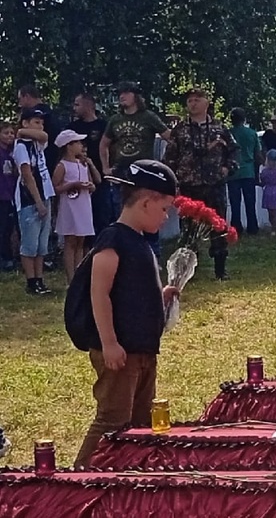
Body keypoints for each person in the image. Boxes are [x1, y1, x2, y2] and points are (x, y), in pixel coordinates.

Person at [67, 159, 179, 468]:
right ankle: (79, 479)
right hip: (120, 351)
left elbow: (132, 289)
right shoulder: (113, 239)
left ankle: (130, 476)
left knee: (142, 421)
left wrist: (162, 296)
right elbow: (99, 291)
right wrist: (109, 342)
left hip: (142, 350)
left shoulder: (140, 242)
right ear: (145, 203)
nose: (166, 216)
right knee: (112, 420)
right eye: (165, 208)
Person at [163, 88, 237, 279]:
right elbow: (170, 158)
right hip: (189, 186)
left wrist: (227, 169)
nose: (193, 104)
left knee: (218, 228)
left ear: (206, 103)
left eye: (197, 100)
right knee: (188, 230)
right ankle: (187, 272)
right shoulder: (180, 130)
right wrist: (172, 182)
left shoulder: (219, 128)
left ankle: (220, 270)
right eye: (190, 101)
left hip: (215, 184)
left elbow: (234, 152)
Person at [101, 82, 170, 220]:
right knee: (121, 211)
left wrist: (165, 162)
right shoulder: (115, 119)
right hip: (121, 170)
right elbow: (103, 144)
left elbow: (170, 137)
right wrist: (105, 167)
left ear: (136, 96)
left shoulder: (148, 116)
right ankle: (124, 241)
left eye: (126, 92)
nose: (122, 96)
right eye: (120, 93)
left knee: (146, 208)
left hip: (143, 170)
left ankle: (149, 241)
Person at [13, 108, 55, 295]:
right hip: (29, 199)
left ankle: (39, 279)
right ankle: (31, 281)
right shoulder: (21, 146)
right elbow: (27, 175)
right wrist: (38, 201)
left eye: (41, 122)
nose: (41, 126)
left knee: (41, 244)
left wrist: (24, 130)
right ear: (25, 123)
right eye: (36, 122)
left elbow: (45, 136)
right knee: (30, 244)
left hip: (45, 194)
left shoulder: (37, 143)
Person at [52, 130, 99, 280]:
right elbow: (55, 187)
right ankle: (70, 277)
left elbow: (93, 182)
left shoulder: (83, 164)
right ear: (68, 146)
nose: (80, 145)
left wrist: (90, 186)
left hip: (84, 205)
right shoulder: (62, 165)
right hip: (70, 206)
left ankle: (78, 275)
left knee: (81, 240)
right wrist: (73, 185)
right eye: (77, 143)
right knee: (70, 241)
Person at [71, 93, 109, 233]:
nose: (74, 108)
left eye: (77, 104)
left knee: (101, 216)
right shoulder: (72, 127)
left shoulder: (103, 126)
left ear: (88, 105)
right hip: (78, 179)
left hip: (100, 178)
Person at [227, 108, 262, 236]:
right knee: (250, 202)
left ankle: (236, 228)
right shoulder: (252, 133)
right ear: (244, 119)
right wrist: (257, 173)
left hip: (233, 173)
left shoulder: (228, 134)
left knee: (235, 203)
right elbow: (258, 155)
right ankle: (253, 227)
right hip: (248, 171)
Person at [0, 122, 16, 271]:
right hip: (1, 196)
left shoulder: (12, 153)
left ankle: (8, 257)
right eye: (6, 133)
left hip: (10, 196)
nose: (10, 136)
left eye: (12, 133)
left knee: (8, 229)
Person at [259, 149, 276, 232]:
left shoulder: (264, 172)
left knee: (270, 212)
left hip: (267, 191)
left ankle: (273, 227)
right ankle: (275, 228)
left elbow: (263, 182)